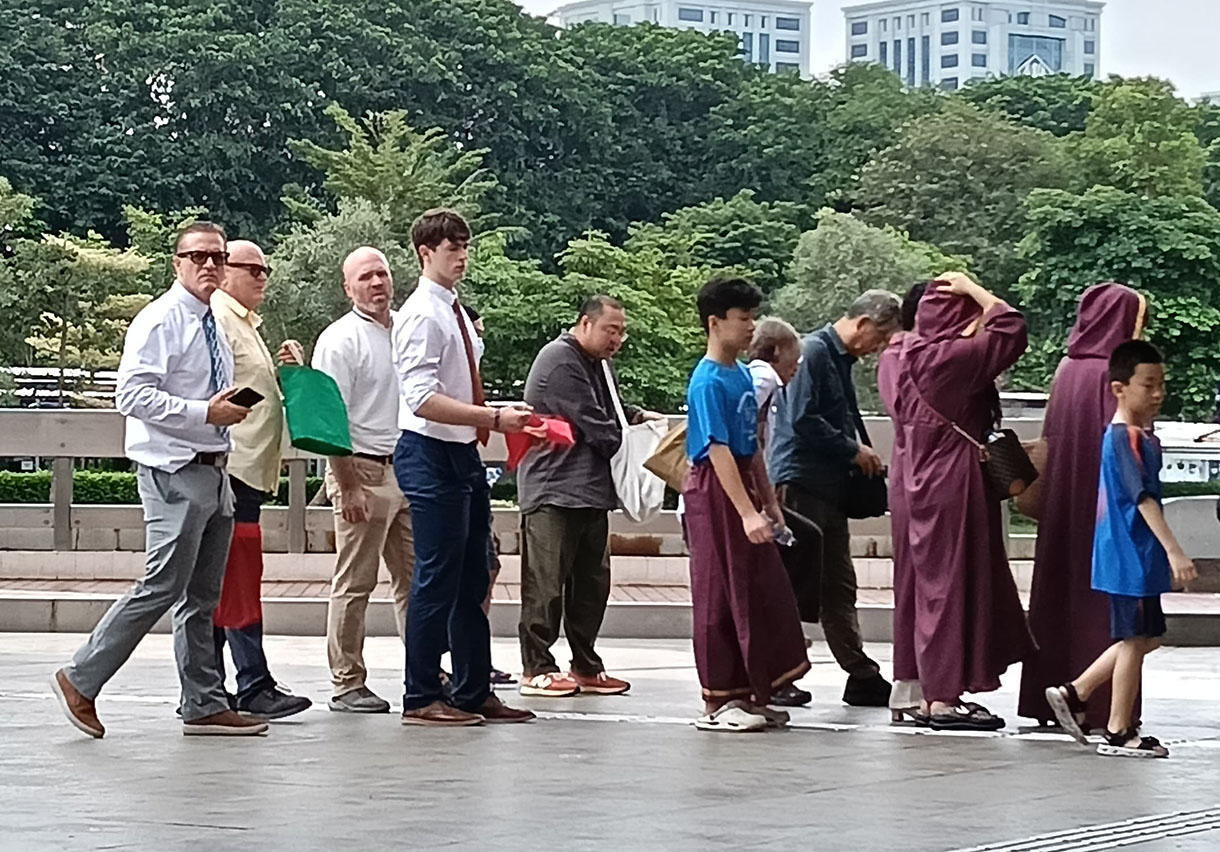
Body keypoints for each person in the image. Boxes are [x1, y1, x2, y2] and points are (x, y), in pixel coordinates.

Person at [50, 222, 268, 738]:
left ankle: (204, 702)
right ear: (177, 263)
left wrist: (222, 412)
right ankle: (81, 677)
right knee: (162, 584)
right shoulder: (161, 319)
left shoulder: (211, 319)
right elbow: (132, 396)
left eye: (218, 257)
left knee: (203, 597)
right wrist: (203, 412)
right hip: (174, 469)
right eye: (199, 257)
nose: (210, 266)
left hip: (215, 469)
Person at [393, 208, 535, 726]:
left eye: (465, 247)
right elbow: (421, 398)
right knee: (437, 575)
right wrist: (495, 417)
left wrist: (489, 419)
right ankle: (421, 694)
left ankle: (474, 688)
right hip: (429, 450)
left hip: (461, 451)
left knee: (476, 571)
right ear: (425, 253)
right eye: (451, 248)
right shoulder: (422, 315)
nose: (461, 257)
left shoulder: (454, 311)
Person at [889, 272, 1032, 730]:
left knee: (923, 587)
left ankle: (922, 689)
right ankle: (943, 699)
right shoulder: (953, 357)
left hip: (914, 474)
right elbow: (1012, 327)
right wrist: (976, 290)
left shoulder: (901, 353)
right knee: (948, 589)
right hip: (952, 480)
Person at [1046, 340, 1197, 758]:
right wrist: (1175, 551)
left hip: (1134, 554)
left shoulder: (1139, 437)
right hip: (1130, 553)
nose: (1157, 393)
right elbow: (1142, 498)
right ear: (1119, 388)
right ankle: (1118, 729)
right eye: (1147, 385)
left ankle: (1076, 691)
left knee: (1146, 637)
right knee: (1135, 640)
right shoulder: (1123, 439)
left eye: (1161, 384)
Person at [683, 276, 810, 733]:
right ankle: (719, 700)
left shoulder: (739, 374)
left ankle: (751, 690)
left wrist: (769, 503)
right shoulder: (708, 380)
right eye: (743, 319)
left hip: (742, 486)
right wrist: (746, 511)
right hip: (716, 490)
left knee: (755, 591)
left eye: (753, 318)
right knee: (719, 591)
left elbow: (750, 445)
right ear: (715, 323)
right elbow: (716, 450)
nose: (751, 327)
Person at [1018, 283, 1147, 731]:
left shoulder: (1067, 368)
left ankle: (1048, 697)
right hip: (1103, 513)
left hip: (1062, 510)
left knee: (1056, 600)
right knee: (1107, 611)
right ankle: (1099, 706)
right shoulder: (1114, 375)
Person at [516, 295, 661, 697]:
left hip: (591, 491)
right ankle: (537, 667)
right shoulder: (561, 360)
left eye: (621, 332)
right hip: (554, 489)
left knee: (591, 584)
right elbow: (598, 426)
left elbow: (608, 409)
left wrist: (636, 417)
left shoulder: (597, 363)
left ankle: (585, 665)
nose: (617, 338)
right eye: (610, 330)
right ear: (584, 324)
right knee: (546, 584)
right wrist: (631, 442)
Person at [769, 291, 900, 708]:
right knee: (801, 584)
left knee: (837, 585)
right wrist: (853, 449)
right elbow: (801, 419)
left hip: (827, 488)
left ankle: (860, 672)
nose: (878, 346)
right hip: (802, 483)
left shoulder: (836, 358)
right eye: (879, 336)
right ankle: (781, 671)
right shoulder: (813, 352)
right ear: (862, 323)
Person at [208, 239, 311, 719]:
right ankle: (249, 682)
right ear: (227, 271)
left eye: (265, 270)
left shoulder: (244, 325)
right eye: (252, 269)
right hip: (233, 469)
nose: (262, 277)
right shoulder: (220, 320)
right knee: (236, 577)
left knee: (225, 579)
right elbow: (221, 393)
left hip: (247, 470)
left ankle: (212, 685)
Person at [312, 247, 415, 713]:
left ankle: (425, 669)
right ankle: (347, 680)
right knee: (356, 581)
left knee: (416, 579)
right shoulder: (340, 340)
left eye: (383, 274)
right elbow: (329, 421)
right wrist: (347, 483)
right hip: (363, 468)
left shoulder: (406, 330)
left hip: (408, 466)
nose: (377, 284)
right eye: (366, 277)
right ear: (347, 287)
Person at [746, 317, 817, 707]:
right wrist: (764, 502)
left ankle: (787, 642)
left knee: (804, 542)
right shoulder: (763, 380)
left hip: (756, 494)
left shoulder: (764, 382)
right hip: (749, 498)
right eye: (794, 357)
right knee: (802, 546)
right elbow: (745, 436)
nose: (796, 365)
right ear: (776, 353)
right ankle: (786, 643)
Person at [878, 281, 930, 725]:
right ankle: (914, 685)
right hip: (919, 479)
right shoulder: (905, 356)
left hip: (916, 477)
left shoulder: (903, 354)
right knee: (917, 586)